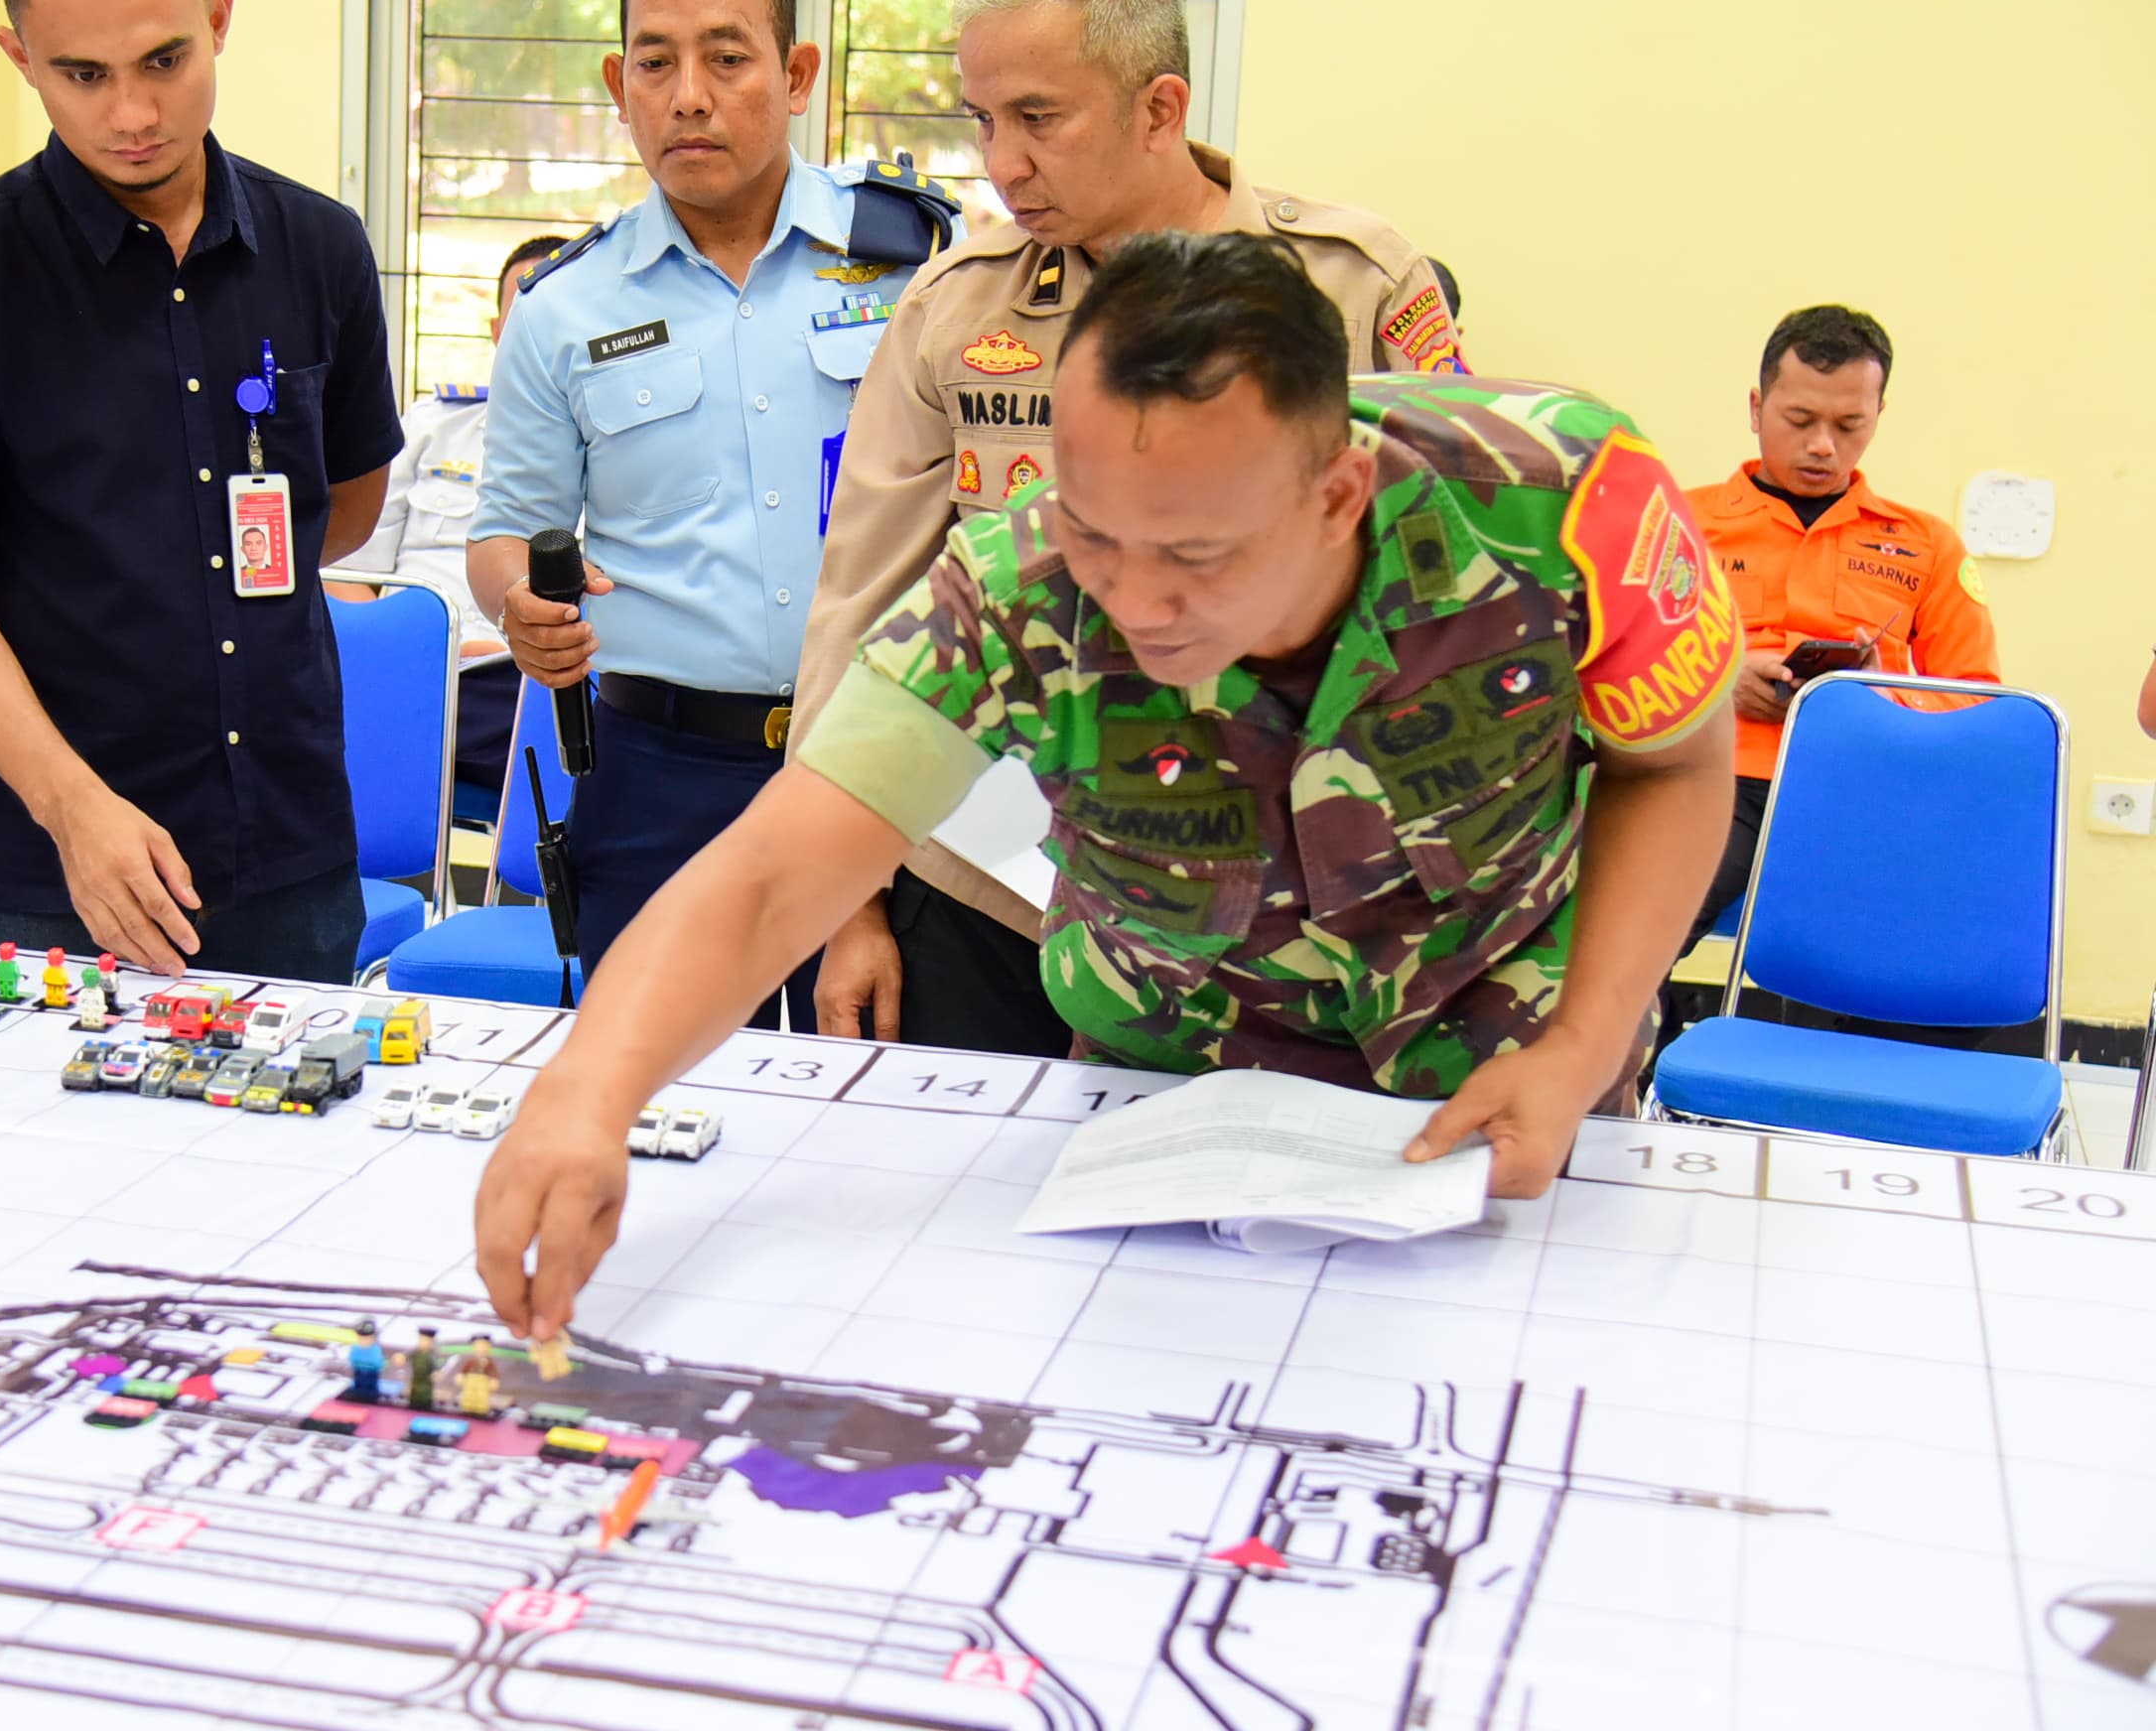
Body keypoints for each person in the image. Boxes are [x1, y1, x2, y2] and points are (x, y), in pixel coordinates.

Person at [476, 233, 1739, 1338]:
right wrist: (587, 1094)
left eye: (1195, 554)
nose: (1133, 602)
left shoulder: (1560, 505)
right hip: (1164, 1131)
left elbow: (1674, 767)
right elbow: (770, 876)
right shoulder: (1013, 583)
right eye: (1094, 532)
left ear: (1335, 492)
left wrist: (1577, 1048)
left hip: (1500, 1119)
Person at [795, 0, 1466, 1055]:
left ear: (1159, 108)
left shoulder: (1352, 288)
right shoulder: (956, 308)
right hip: (982, 889)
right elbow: (857, 607)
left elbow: (1434, 600)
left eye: (1037, 118)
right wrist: (844, 899)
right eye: (981, 119)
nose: (1000, 164)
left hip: (1275, 914)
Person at [0, 0, 400, 982]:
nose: (134, 113)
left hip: (287, 846)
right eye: (82, 74)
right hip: (54, 866)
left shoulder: (322, 250)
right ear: (20, 59)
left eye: (165, 60)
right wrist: (72, 809)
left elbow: (339, 510)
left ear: (218, 19)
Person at [468, 0, 960, 1022]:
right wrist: (517, 606)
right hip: (658, 778)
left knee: (885, 1107)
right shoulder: (561, 311)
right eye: (655, 61)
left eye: (726, 57)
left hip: (892, 753)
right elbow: (506, 528)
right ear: (618, 81)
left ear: (794, 74)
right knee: (661, 1116)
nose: (687, 93)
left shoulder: (908, 260)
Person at [1682, 306, 1997, 945]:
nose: (1823, 445)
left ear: (1877, 418)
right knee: (1631, 944)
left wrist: (1880, 691)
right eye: (1800, 420)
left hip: (1864, 782)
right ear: (1755, 407)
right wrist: (1717, 680)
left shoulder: (1927, 543)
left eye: (1849, 424)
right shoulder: (1678, 524)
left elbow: (1977, 697)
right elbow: (1604, 663)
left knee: (1942, 954)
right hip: (1709, 778)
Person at [329, 231, 568, 796]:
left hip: (526, 683)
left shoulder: (623, 452)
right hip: (411, 671)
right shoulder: (432, 425)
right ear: (496, 333)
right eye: (525, 320)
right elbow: (348, 572)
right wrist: (403, 650)